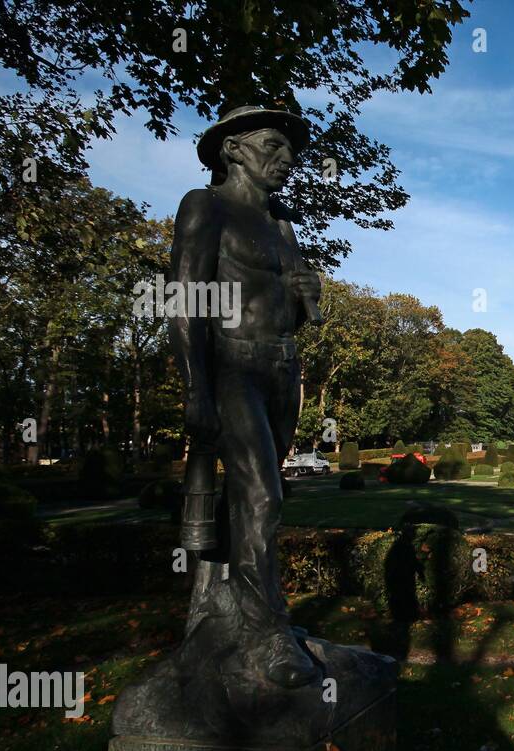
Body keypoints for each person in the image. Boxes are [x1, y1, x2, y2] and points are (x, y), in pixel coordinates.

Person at [168, 106, 322, 688]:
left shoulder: (282, 225)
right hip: (232, 364)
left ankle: (222, 611)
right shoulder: (205, 207)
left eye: (291, 152)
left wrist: (308, 299)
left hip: (282, 369)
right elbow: (186, 299)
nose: (287, 160)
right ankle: (267, 635)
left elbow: (290, 314)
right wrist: (195, 386)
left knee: (261, 498)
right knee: (260, 498)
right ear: (233, 149)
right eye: (272, 145)